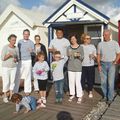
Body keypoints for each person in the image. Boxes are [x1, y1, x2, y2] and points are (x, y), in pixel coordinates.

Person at [97, 29, 120, 104]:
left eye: (105, 35)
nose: (104, 36)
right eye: (103, 35)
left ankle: (110, 98)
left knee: (110, 82)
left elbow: (118, 54)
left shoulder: (114, 43)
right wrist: (99, 65)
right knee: (103, 82)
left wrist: (115, 61)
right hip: (102, 64)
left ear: (109, 35)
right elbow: (98, 55)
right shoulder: (100, 44)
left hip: (111, 64)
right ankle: (105, 96)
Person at [49, 28, 70, 94]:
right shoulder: (53, 41)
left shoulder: (66, 40)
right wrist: (53, 50)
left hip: (64, 60)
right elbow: (49, 49)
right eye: (58, 33)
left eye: (61, 33)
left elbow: (69, 49)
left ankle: (66, 89)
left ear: (62, 33)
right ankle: (58, 89)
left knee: (64, 75)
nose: (59, 34)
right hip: (55, 60)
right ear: (56, 33)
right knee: (56, 74)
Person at [14, 29, 34, 95]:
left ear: (29, 35)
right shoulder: (19, 42)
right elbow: (17, 51)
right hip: (20, 60)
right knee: (18, 75)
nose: (26, 35)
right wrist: (16, 58)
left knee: (27, 75)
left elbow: (33, 53)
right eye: (25, 34)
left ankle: (27, 90)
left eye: (27, 34)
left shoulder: (31, 42)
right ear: (23, 34)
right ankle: (15, 90)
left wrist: (32, 51)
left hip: (28, 60)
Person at [1, 34, 19, 103]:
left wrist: (16, 59)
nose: (14, 41)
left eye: (15, 40)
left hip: (13, 67)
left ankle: (11, 96)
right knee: (6, 82)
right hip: (6, 67)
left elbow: (18, 58)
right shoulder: (5, 47)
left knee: (12, 82)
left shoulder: (16, 48)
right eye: (13, 40)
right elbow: (2, 58)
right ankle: (5, 96)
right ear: (9, 40)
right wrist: (9, 55)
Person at [67, 35, 84, 104]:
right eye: (71, 39)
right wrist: (69, 55)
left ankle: (79, 95)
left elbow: (82, 57)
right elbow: (68, 56)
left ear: (76, 39)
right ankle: (72, 94)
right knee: (71, 81)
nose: (72, 40)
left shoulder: (81, 47)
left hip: (78, 68)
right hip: (70, 67)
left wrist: (78, 55)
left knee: (77, 82)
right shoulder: (68, 47)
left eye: (74, 38)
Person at [81, 33, 96, 98]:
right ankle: (81, 90)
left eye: (90, 38)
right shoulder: (80, 46)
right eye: (87, 38)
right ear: (84, 39)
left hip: (90, 65)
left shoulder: (92, 46)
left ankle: (90, 91)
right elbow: (77, 55)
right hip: (82, 65)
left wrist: (93, 56)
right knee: (82, 79)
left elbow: (95, 57)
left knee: (90, 79)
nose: (89, 39)